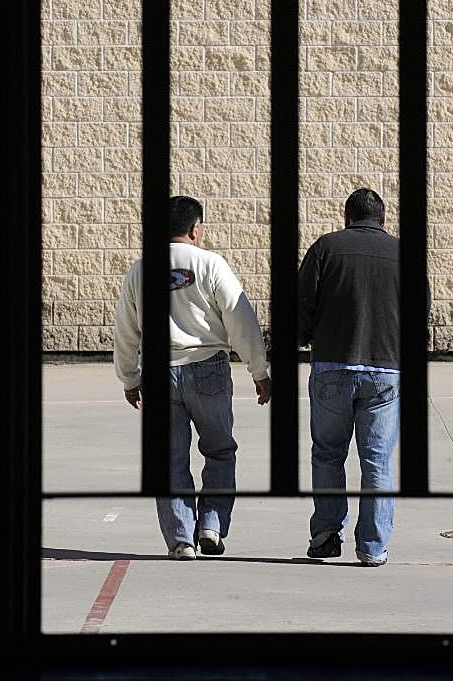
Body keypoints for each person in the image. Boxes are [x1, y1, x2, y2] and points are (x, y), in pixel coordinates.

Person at [113, 195, 271, 560]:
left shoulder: (140, 269)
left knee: (169, 459)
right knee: (219, 451)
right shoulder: (211, 264)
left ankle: (182, 539)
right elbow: (240, 319)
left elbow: (126, 328)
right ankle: (211, 526)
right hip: (208, 369)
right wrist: (259, 371)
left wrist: (129, 377)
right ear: (195, 228)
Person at [297, 187, 430, 567]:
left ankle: (325, 534)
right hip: (387, 368)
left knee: (327, 454)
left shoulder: (325, 248)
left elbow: (302, 301)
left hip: (332, 367)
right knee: (377, 462)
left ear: (346, 218)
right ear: (384, 221)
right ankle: (371, 547)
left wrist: (304, 337)